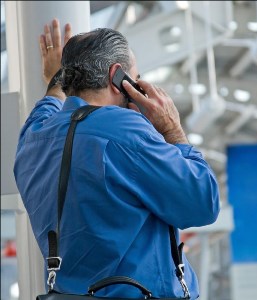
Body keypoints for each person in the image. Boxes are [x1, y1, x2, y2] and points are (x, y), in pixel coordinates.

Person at [14, 19, 220, 299]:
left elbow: (49, 104)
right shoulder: (127, 132)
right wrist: (172, 128)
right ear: (116, 76)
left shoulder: (33, 138)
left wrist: (55, 78)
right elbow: (203, 203)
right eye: (134, 77)